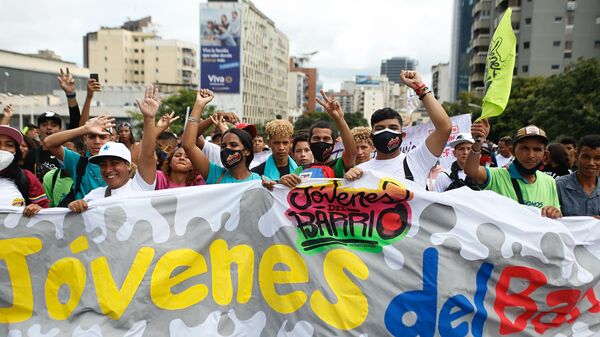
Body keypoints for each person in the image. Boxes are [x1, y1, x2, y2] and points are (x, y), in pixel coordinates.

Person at [344, 70, 452, 189]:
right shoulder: (361, 171)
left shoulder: (417, 161)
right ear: (371, 137)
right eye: (380, 128)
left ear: (403, 135)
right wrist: (348, 181)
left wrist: (420, 88)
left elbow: (444, 128)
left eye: (393, 128)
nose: (386, 132)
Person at [67, 88, 159, 211]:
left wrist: (149, 119)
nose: (108, 169)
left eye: (115, 163)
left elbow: (147, 154)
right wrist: (74, 206)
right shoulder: (93, 196)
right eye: (103, 165)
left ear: (128, 165)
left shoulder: (140, 186)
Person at [465, 121, 562, 219]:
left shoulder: (549, 182)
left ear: (545, 155)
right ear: (513, 151)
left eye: (537, 149)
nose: (531, 155)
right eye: (524, 148)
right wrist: (478, 141)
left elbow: (558, 218)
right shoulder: (497, 176)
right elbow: (471, 171)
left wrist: (554, 213)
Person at [182, 89, 261, 184]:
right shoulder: (215, 174)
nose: (227, 149)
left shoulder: (258, 181)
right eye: (223, 146)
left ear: (247, 151)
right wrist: (199, 105)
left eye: (233, 145)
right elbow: (188, 144)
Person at [279, 90, 357, 186]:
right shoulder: (301, 169)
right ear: (309, 142)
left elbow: (351, 153)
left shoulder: (338, 165)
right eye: (316, 138)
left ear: (334, 143)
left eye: (326, 139)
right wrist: (282, 182)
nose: (321, 142)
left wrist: (339, 119)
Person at [0, 125, 48, 215]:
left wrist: (38, 208)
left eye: (9, 145)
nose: (2, 149)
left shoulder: (26, 177)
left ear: (15, 151)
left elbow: (45, 210)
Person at [556, 134, 600, 217]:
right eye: (586, 157)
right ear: (576, 156)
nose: (591, 163)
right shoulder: (558, 186)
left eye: (597, 158)